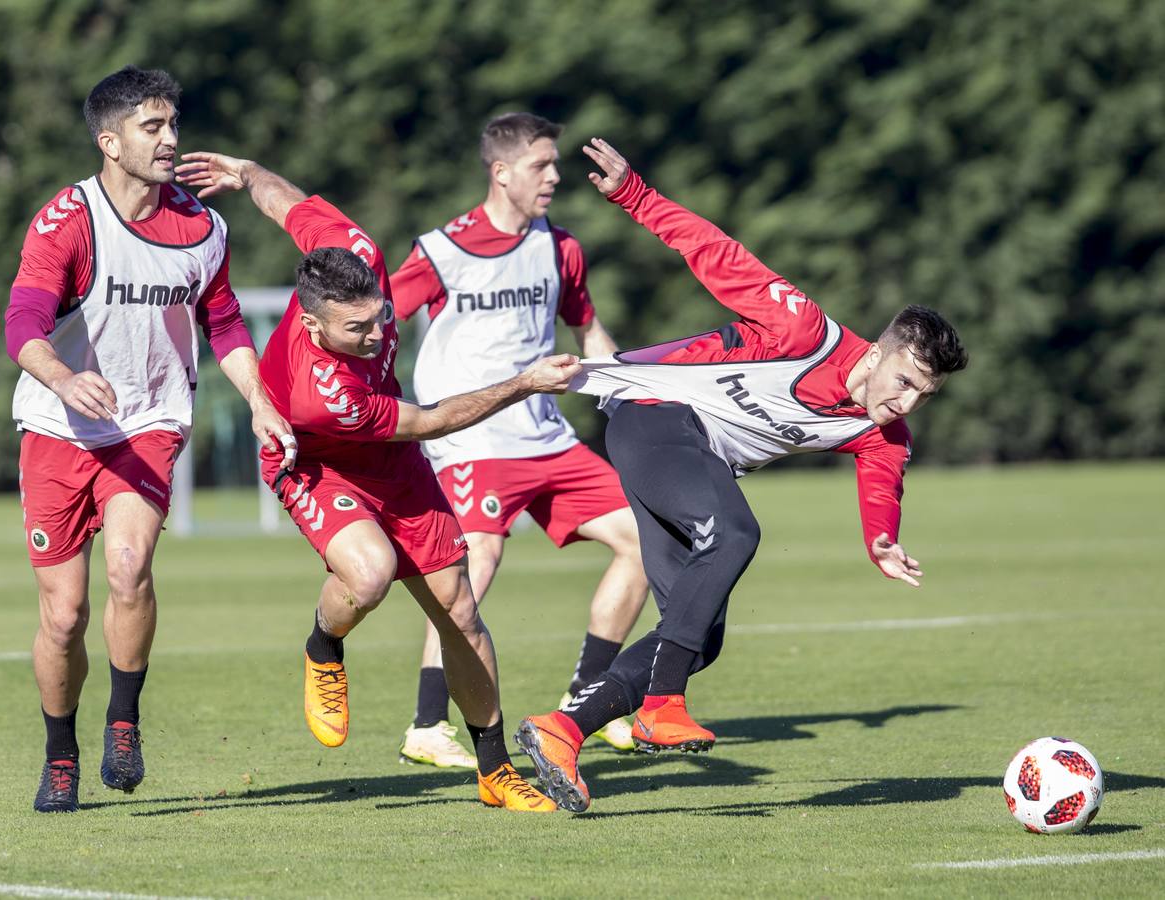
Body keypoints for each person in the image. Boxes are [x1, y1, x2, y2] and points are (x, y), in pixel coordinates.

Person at [515, 139, 968, 812]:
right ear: (877, 355)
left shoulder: (883, 432)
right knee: (734, 534)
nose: (906, 403)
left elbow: (882, 486)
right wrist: (634, 194)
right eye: (904, 382)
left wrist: (882, 539)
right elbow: (717, 253)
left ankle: (562, 731)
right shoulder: (804, 330)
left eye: (923, 396)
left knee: (699, 636)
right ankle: (661, 706)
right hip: (652, 417)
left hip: (682, 458)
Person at [174, 150, 582, 813]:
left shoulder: (354, 253)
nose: (374, 335)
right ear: (312, 324)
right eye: (355, 328)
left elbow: (289, 206)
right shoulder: (322, 393)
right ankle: (324, 646)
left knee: (459, 611)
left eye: (379, 318)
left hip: (393, 463)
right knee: (370, 574)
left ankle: (495, 771)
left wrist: (248, 174)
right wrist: (524, 383)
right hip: (315, 462)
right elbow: (431, 420)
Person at [5, 66, 295, 813]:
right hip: (57, 426)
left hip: (148, 423)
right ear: (110, 142)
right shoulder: (68, 219)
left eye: (173, 125)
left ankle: (124, 721)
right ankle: (60, 752)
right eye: (152, 127)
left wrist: (260, 401)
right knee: (63, 616)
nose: (170, 140)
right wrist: (65, 379)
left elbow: (223, 323)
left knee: (130, 568)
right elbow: (22, 326)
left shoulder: (203, 227)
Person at [389, 113, 650, 768]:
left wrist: (636, 396)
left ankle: (586, 701)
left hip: (546, 437)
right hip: (472, 439)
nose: (555, 176)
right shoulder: (442, 250)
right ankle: (427, 725)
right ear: (501, 172)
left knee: (645, 539)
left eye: (555, 163)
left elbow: (588, 331)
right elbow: (375, 322)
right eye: (541, 165)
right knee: (474, 561)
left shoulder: (561, 248)